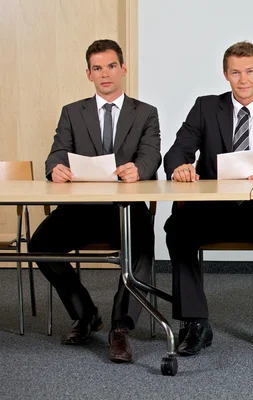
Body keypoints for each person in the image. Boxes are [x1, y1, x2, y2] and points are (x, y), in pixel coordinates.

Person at [163, 41, 253, 357]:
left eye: (250, 71)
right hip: (213, 210)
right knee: (177, 228)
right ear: (225, 74)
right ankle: (196, 324)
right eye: (235, 72)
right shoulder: (205, 107)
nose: (243, 80)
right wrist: (180, 167)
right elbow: (177, 151)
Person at [29, 39, 161, 363]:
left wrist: (139, 170)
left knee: (143, 247)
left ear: (123, 68)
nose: (105, 74)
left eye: (111, 66)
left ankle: (120, 328)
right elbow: (56, 153)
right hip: (81, 210)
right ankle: (86, 314)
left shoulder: (145, 113)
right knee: (39, 245)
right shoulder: (72, 113)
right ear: (88, 73)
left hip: (126, 210)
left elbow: (151, 155)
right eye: (97, 68)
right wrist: (55, 168)